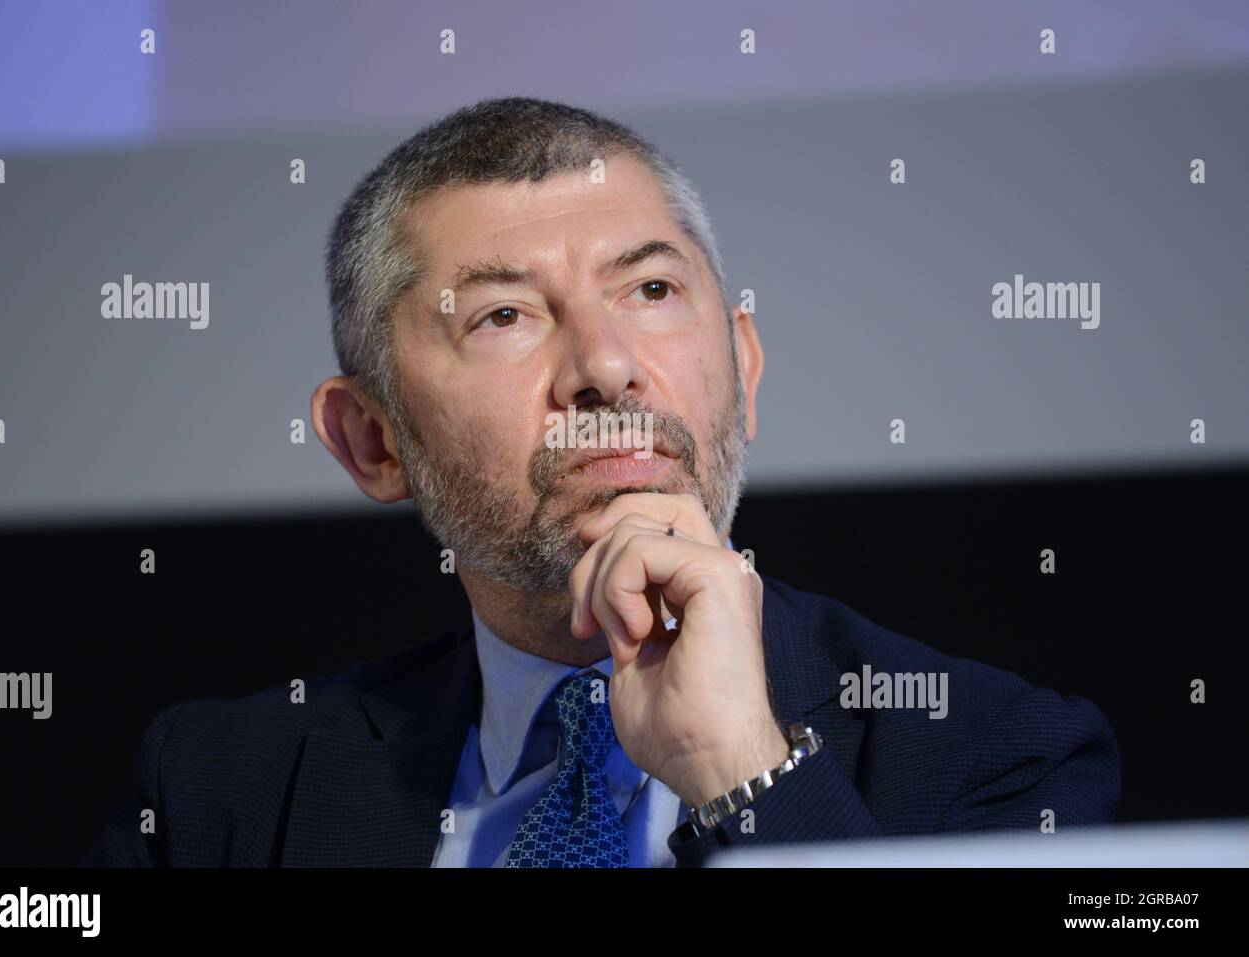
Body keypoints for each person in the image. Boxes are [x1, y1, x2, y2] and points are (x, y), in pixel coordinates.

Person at [83, 97, 1120, 868]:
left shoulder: (997, 756)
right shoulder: (216, 795)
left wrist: (744, 773)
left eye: (652, 289)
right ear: (372, 441)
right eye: (503, 315)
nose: (607, 368)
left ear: (743, 369)